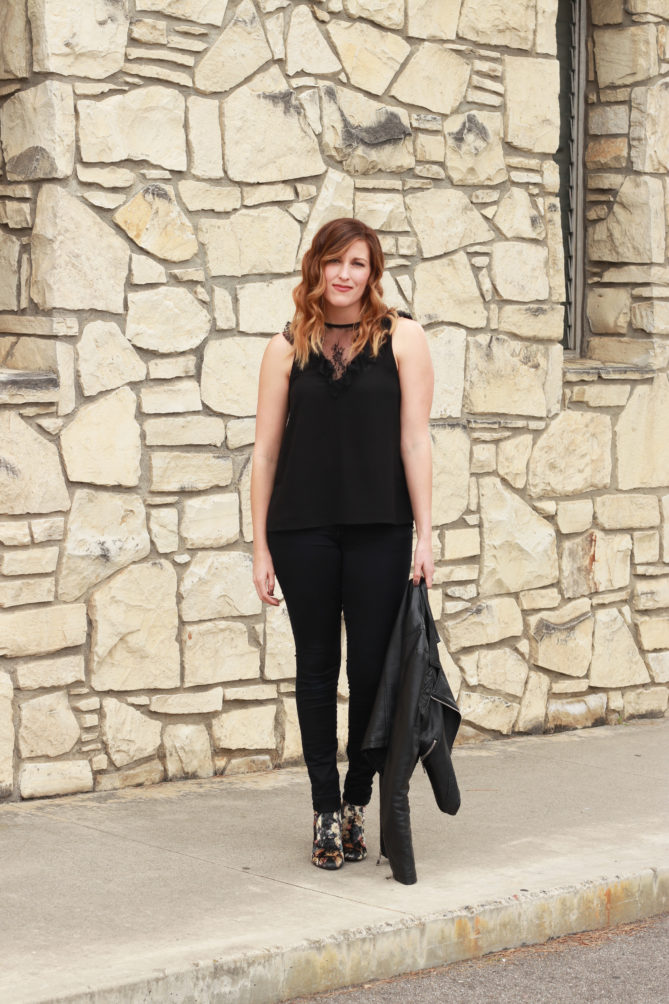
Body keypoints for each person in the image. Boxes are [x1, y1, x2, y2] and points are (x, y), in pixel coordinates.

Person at [251, 217, 434, 871]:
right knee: (315, 669)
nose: (343, 274)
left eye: (355, 263)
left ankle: (357, 798)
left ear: (371, 271)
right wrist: (259, 548)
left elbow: (415, 441)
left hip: (380, 528)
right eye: (332, 262)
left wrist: (425, 534)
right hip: (300, 528)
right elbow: (266, 454)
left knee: (368, 675)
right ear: (316, 269)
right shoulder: (285, 346)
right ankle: (325, 811)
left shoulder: (403, 339)